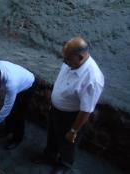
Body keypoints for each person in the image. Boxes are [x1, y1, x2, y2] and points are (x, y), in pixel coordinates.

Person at [34, 37, 104, 174]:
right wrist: (54, 104)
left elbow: (86, 111)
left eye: (68, 59)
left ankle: (65, 164)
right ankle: (49, 155)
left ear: (81, 57)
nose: (64, 62)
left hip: (71, 117)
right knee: (52, 135)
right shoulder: (70, 61)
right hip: (56, 110)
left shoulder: (92, 79)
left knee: (67, 144)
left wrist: (73, 131)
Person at [0, 60, 37, 150]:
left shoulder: (11, 84)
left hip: (28, 85)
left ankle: (17, 139)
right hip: (19, 79)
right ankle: (8, 129)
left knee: (19, 114)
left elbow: (7, 107)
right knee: (12, 109)